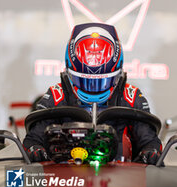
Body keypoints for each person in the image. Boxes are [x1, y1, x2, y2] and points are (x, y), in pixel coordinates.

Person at [23, 23, 162, 164]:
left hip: (120, 177)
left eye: (101, 81)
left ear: (118, 73)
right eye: (85, 81)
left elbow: (149, 141)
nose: (93, 88)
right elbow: (33, 139)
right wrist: (36, 150)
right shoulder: (56, 95)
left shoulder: (130, 97)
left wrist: (149, 152)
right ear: (69, 71)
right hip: (65, 178)